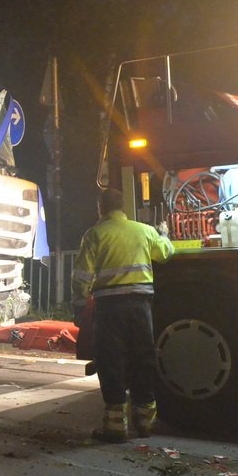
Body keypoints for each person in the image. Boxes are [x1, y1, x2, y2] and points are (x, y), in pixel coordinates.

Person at [71, 188, 174, 442]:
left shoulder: (94, 235)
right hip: (140, 305)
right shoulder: (144, 231)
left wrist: (79, 305)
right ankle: (145, 422)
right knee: (143, 357)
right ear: (123, 207)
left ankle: (116, 427)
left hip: (109, 307)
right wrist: (164, 234)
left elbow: (81, 276)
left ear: (100, 208)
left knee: (111, 361)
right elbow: (166, 254)